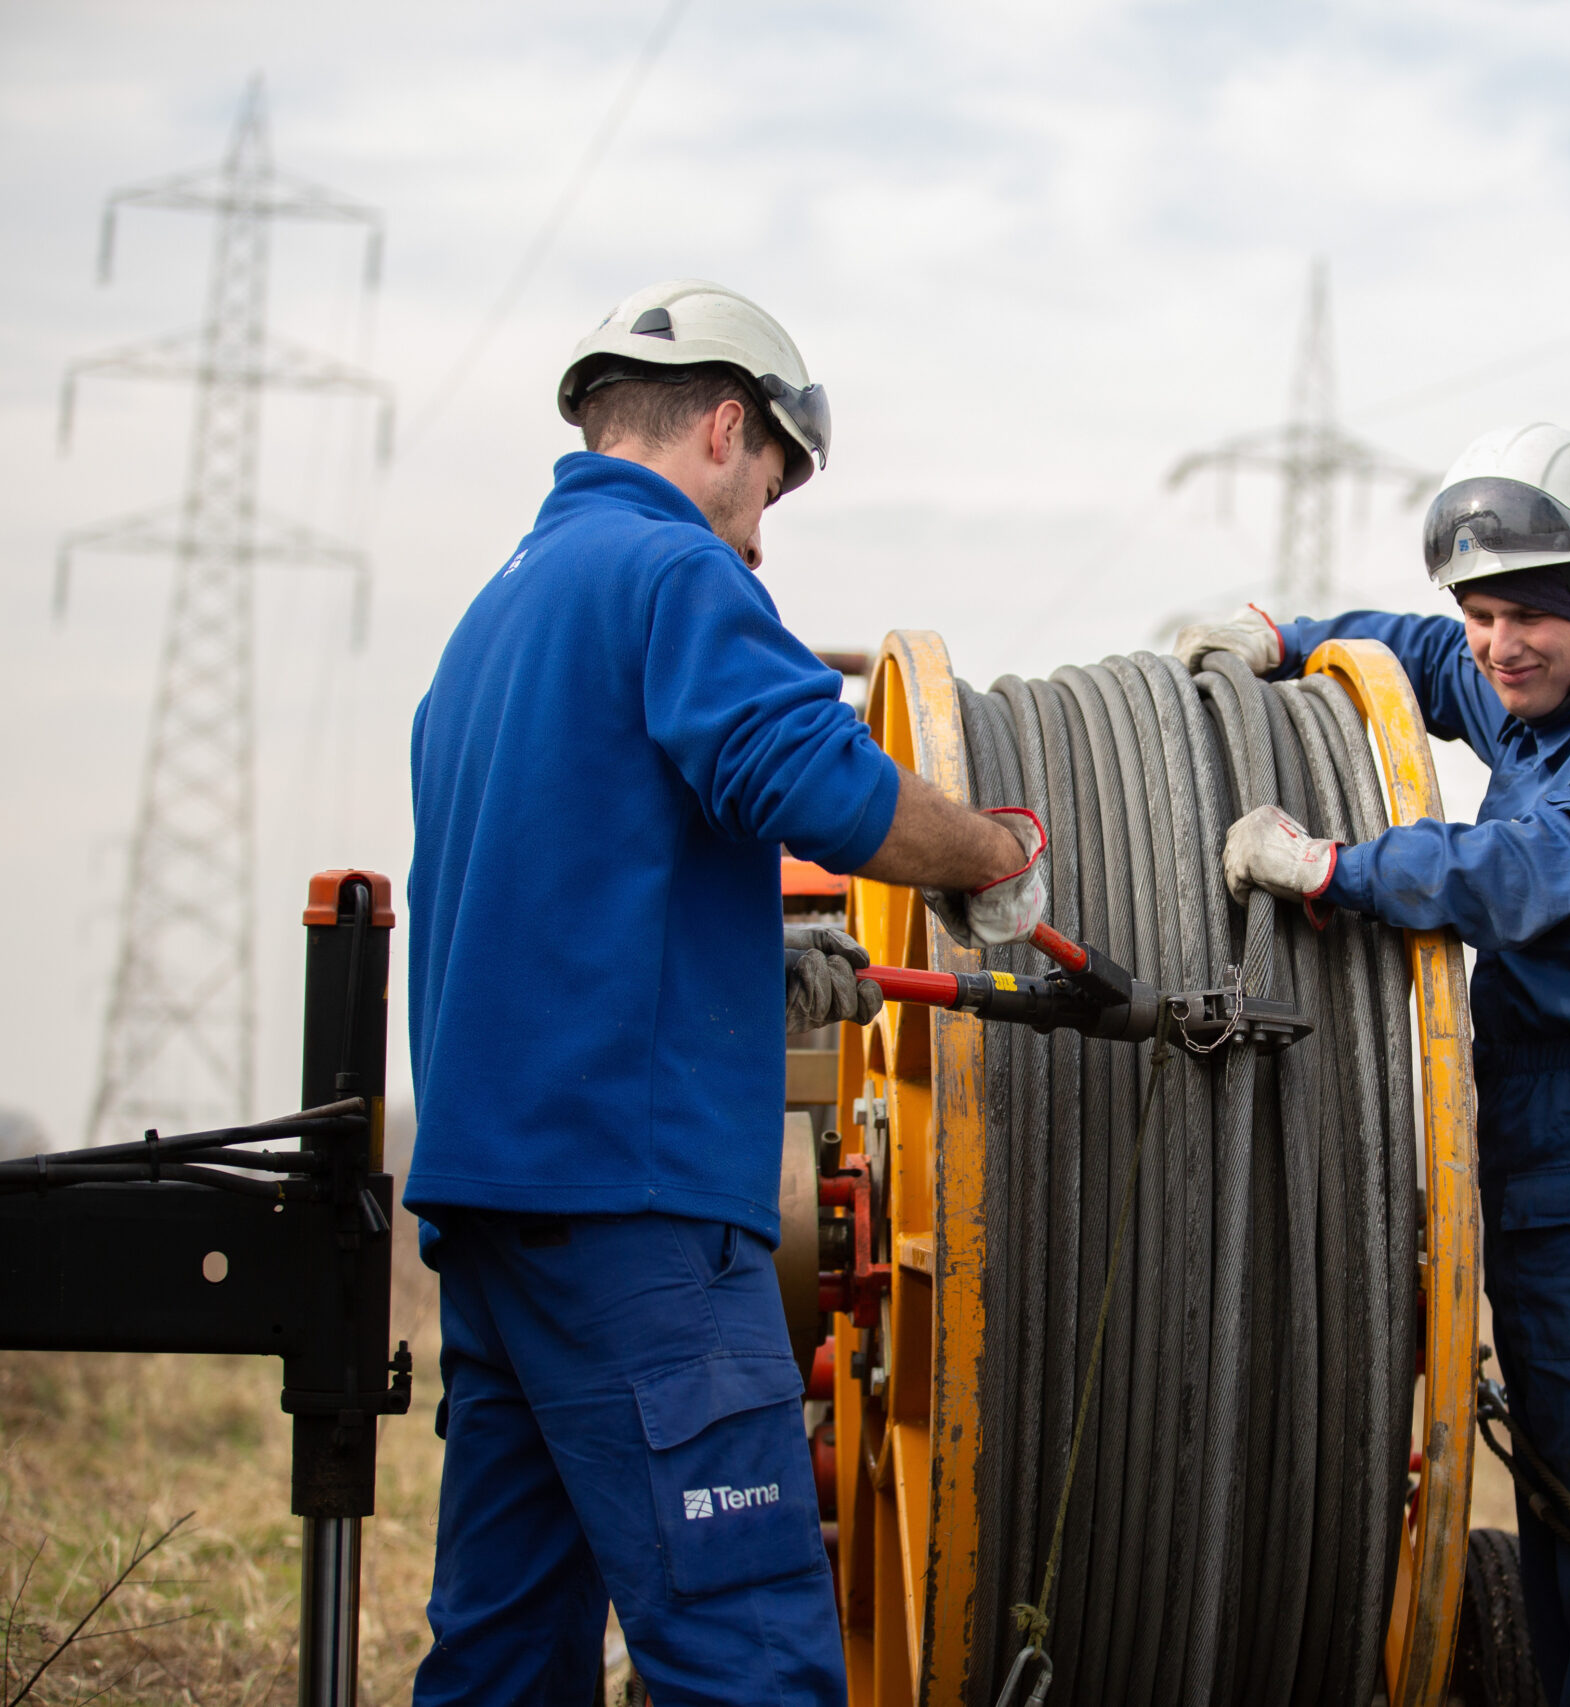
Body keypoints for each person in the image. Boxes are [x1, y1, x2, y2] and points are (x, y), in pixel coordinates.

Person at [406, 279, 1049, 1707]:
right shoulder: (674, 573)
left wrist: (754, 967)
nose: (760, 528)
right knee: (748, 1656)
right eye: (769, 484)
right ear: (720, 426)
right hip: (636, 1228)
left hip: (495, 1216)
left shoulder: (489, 625)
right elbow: (811, 780)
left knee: (505, 1656)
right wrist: (988, 858)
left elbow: (564, 893)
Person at [1182, 422, 1570, 1706]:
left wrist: (1344, 870)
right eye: (1478, 611)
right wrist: (1295, 638)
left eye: (1527, 614)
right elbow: (1414, 660)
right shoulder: (1530, 694)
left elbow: (1548, 876)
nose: (1495, 644)